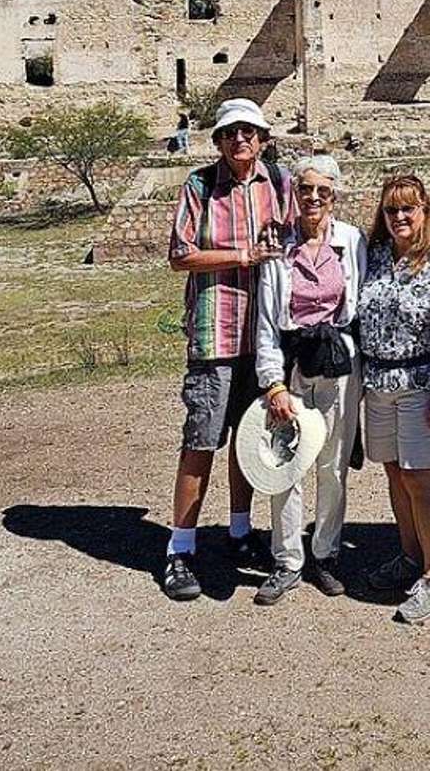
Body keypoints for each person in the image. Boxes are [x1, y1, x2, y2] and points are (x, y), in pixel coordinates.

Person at [161, 98, 293, 601]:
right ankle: (180, 548)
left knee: (247, 439)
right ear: (218, 141)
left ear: (262, 139)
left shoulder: (278, 183)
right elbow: (180, 255)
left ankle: (240, 533)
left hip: (263, 336)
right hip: (214, 333)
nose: (240, 139)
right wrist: (242, 255)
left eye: (249, 132)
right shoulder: (199, 185)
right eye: (230, 132)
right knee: (201, 440)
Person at [252, 155, 365, 606]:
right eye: (305, 190)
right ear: (293, 195)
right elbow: (266, 319)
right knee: (286, 463)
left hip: (338, 363)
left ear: (334, 194)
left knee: (333, 463)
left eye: (322, 190)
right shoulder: (278, 245)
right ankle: (286, 559)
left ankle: (325, 552)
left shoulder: (350, 241)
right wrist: (272, 382)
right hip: (294, 363)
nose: (313, 198)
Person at [358, 174, 430, 623]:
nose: (399, 217)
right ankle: (409, 555)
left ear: (424, 212)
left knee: (419, 479)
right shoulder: (374, 257)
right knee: (395, 476)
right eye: (391, 210)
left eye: (408, 209)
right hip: (377, 385)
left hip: (421, 384)